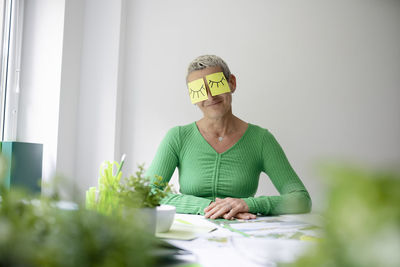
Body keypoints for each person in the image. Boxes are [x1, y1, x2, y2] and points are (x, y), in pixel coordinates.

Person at [147, 55, 311, 220]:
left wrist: (247, 204)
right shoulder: (177, 137)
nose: (210, 97)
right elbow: (146, 193)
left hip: (244, 236)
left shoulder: (261, 140)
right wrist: (209, 207)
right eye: (199, 90)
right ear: (192, 95)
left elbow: (301, 200)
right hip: (191, 235)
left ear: (231, 83)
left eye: (216, 85)